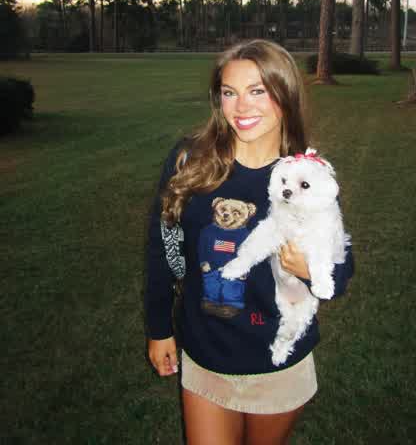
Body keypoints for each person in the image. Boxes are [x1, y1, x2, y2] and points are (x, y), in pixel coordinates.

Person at [145, 40, 353, 445]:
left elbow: (341, 265)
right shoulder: (190, 161)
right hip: (206, 353)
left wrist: (311, 271)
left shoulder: (303, 177)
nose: (241, 107)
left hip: (278, 361)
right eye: (230, 92)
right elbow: (163, 249)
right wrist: (159, 328)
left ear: (285, 94)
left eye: (258, 91)